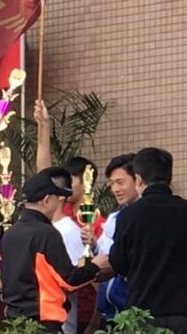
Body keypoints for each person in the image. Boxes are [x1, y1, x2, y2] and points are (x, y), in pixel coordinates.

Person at [0, 171, 108, 333]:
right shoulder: (46, 233)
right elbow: (68, 280)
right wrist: (95, 265)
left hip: (14, 319)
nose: (61, 204)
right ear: (47, 200)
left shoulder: (10, 234)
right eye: (58, 199)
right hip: (43, 319)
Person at [34, 100, 106, 333]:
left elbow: (100, 273)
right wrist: (44, 128)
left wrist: (96, 321)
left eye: (70, 180)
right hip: (54, 309)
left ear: (86, 182)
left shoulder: (94, 221)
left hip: (84, 312)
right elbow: (44, 175)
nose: (61, 186)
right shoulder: (58, 212)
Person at [109, 147, 187, 334]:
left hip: (143, 314)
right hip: (183, 313)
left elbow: (119, 263)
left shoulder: (129, 216)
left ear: (138, 178)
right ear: (169, 177)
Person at [94, 154, 137, 322]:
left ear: (138, 180)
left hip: (133, 312)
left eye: (120, 182)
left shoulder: (145, 219)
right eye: (112, 184)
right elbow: (105, 257)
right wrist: (93, 244)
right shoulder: (113, 218)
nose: (115, 189)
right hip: (109, 313)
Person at [43, 167, 85, 334]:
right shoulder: (38, 227)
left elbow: (76, 279)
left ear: (61, 195)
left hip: (61, 324)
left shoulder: (70, 231)